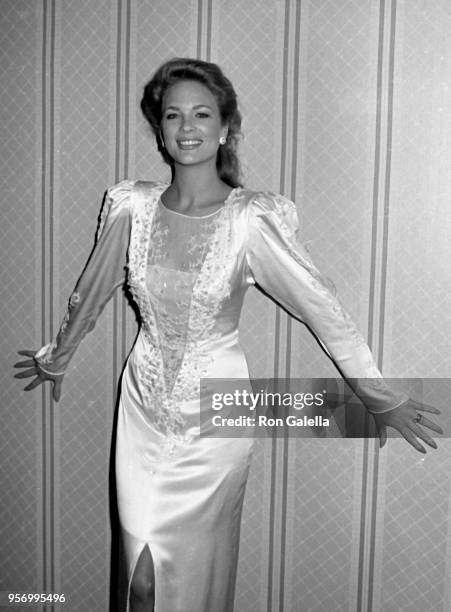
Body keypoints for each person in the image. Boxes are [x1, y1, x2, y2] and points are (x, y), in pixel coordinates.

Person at [15, 57, 442, 612]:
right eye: (173, 116)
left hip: (214, 417)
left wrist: (377, 395)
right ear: (160, 130)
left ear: (225, 127)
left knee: (180, 574)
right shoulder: (133, 207)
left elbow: (322, 308)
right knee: (138, 577)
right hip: (142, 404)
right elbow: (92, 290)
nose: (187, 127)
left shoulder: (249, 219)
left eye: (201, 114)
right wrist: (58, 358)